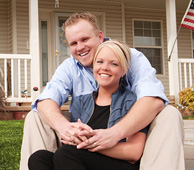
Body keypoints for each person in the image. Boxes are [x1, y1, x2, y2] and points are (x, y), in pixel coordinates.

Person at [20, 12, 185, 170]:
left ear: (99, 36)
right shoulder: (72, 72)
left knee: (169, 113)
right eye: (73, 43)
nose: (80, 47)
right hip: (82, 148)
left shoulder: (129, 59)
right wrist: (66, 129)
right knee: (37, 127)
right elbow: (46, 100)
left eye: (85, 39)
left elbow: (152, 99)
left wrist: (112, 135)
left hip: (121, 144)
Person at [28, 40, 148, 170]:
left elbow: (134, 152)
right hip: (82, 160)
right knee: (39, 157)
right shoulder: (82, 101)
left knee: (66, 153)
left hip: (120, 164)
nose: (104, 68)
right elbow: (73, 143)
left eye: (114, 64)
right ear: (94, 66)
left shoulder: (133, 102)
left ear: (124, 70)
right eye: (100, 62)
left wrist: (90, 145)